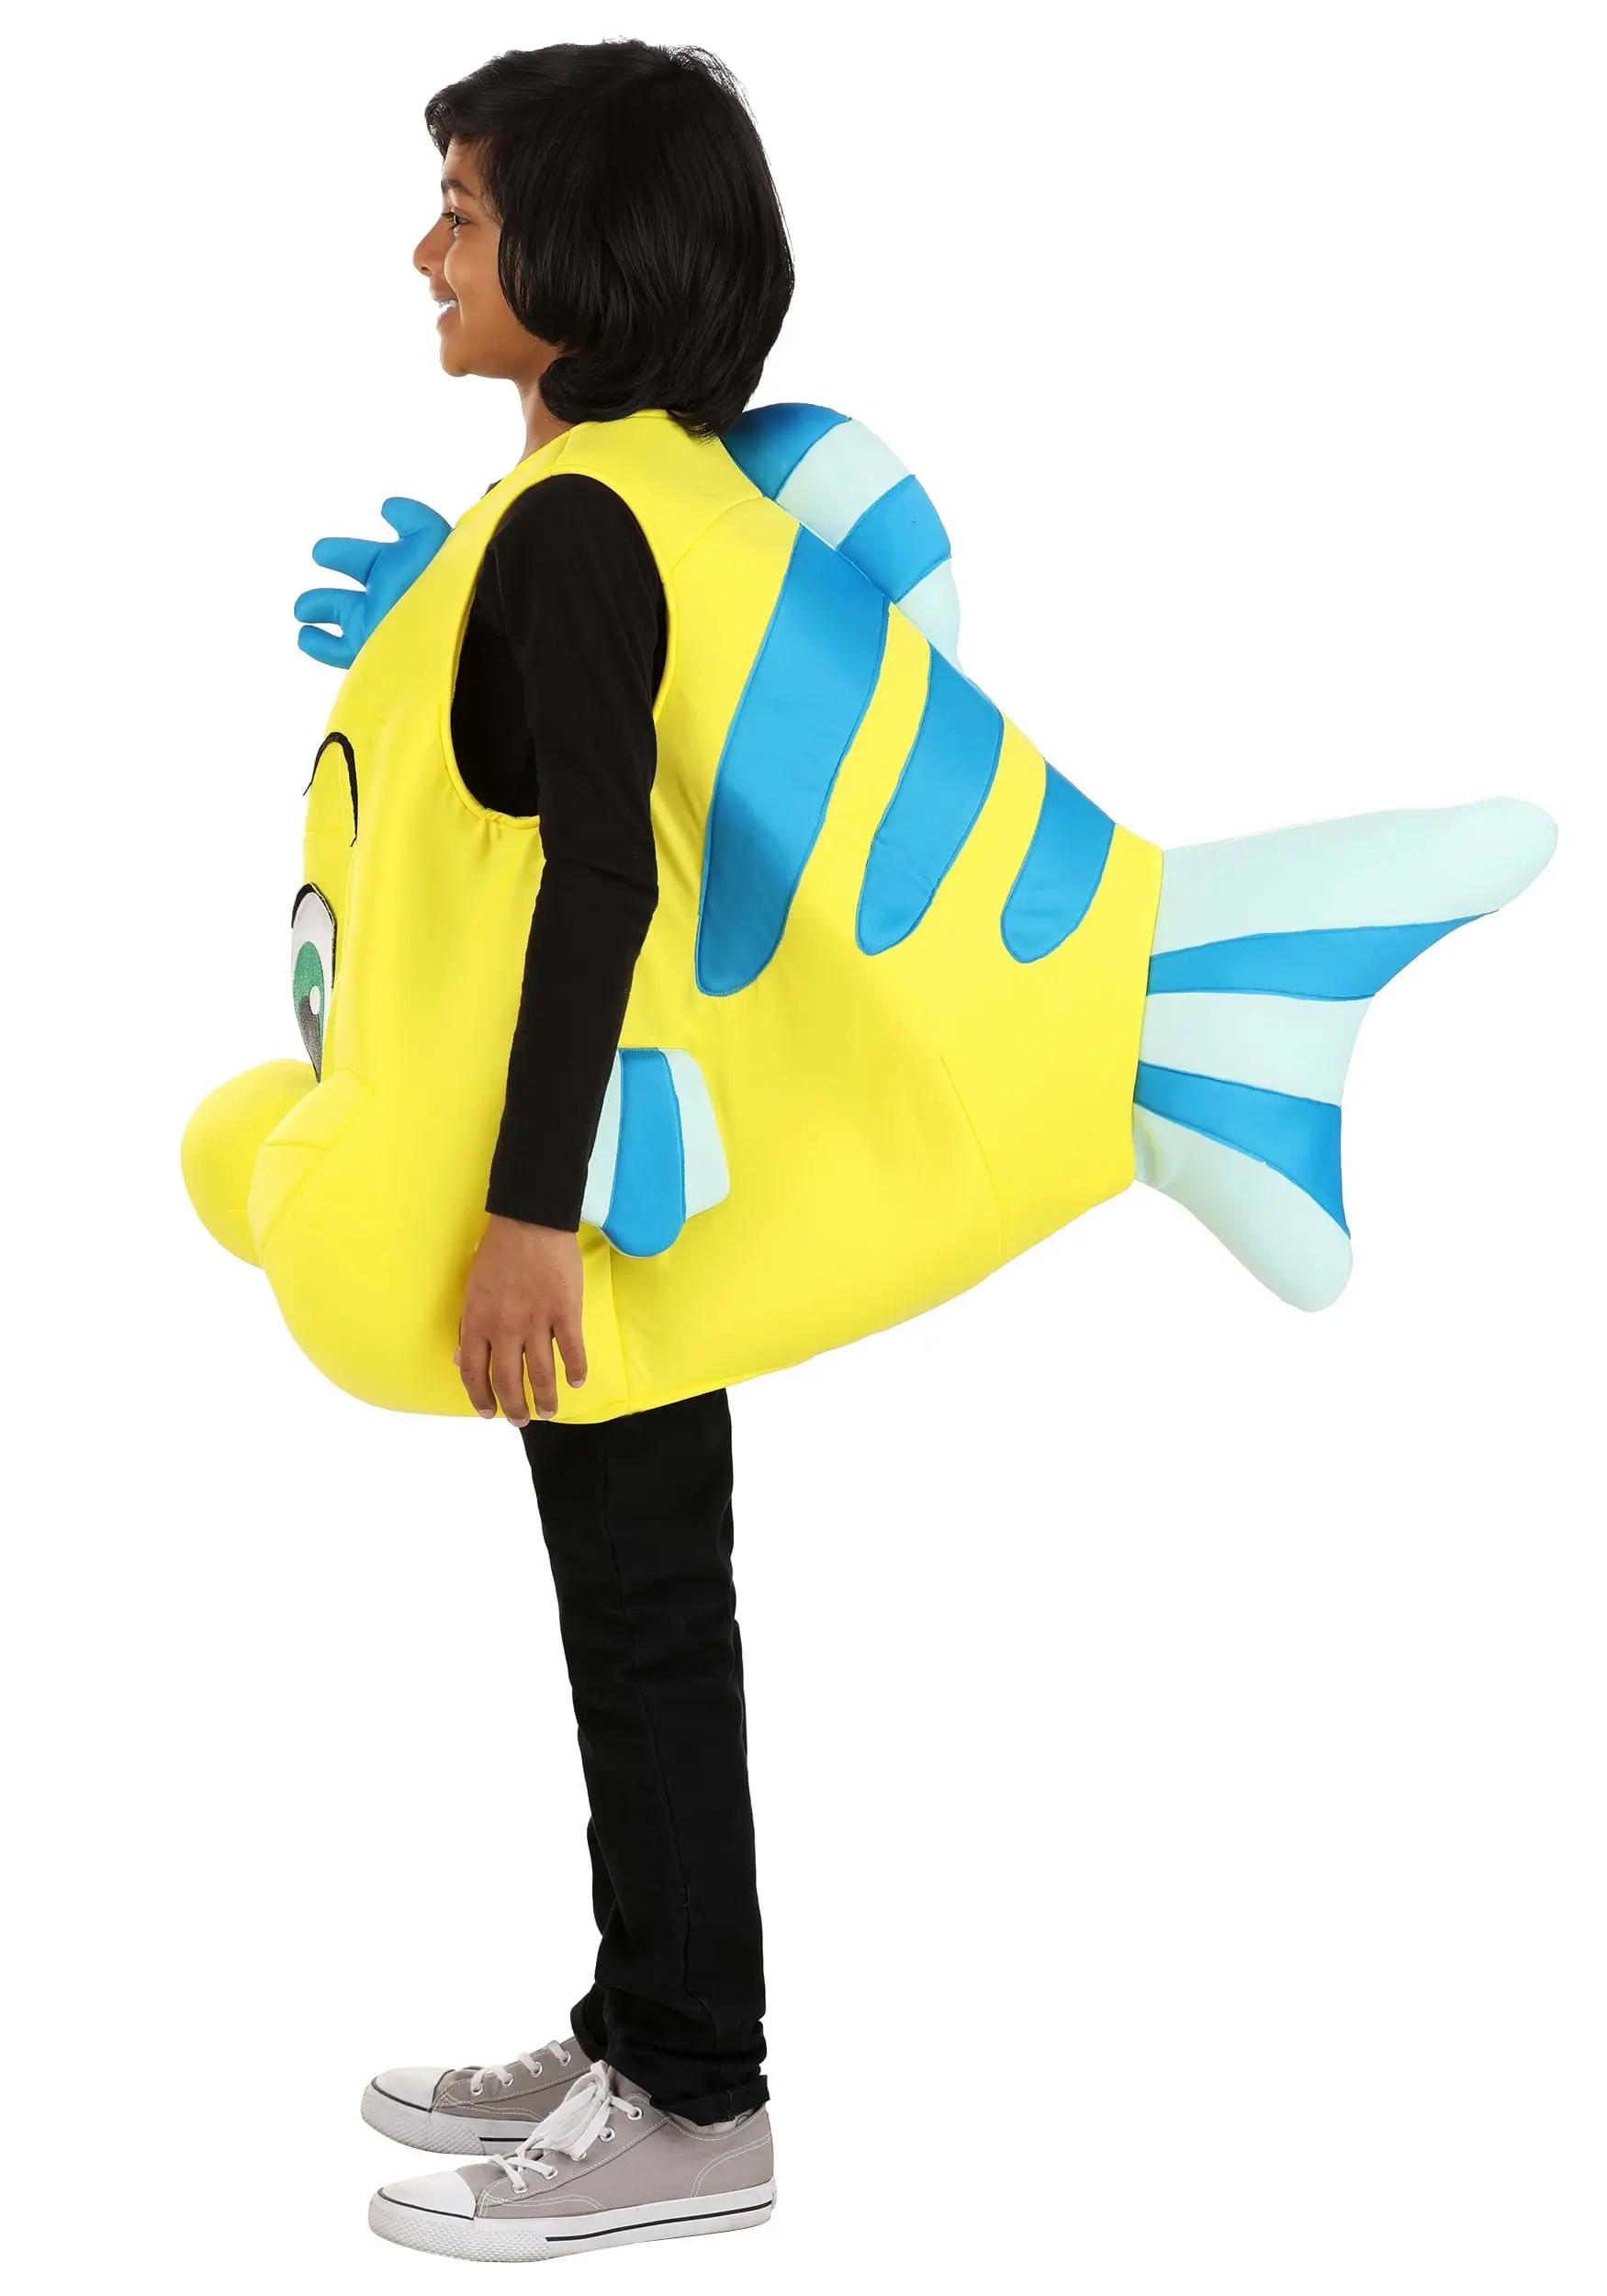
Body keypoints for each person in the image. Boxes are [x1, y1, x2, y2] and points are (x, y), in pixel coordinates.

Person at [354, 40, 792, 2264]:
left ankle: (697, 2092)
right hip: (614, 1160)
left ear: (587, 254)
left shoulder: (586, 519)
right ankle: (639, 2022)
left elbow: (601, 877)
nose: (424, 252)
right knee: (634, 1600)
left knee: (642, 1612)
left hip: (597, 1180)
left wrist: (525, 1212)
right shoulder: (601, 493)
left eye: (463, 208)